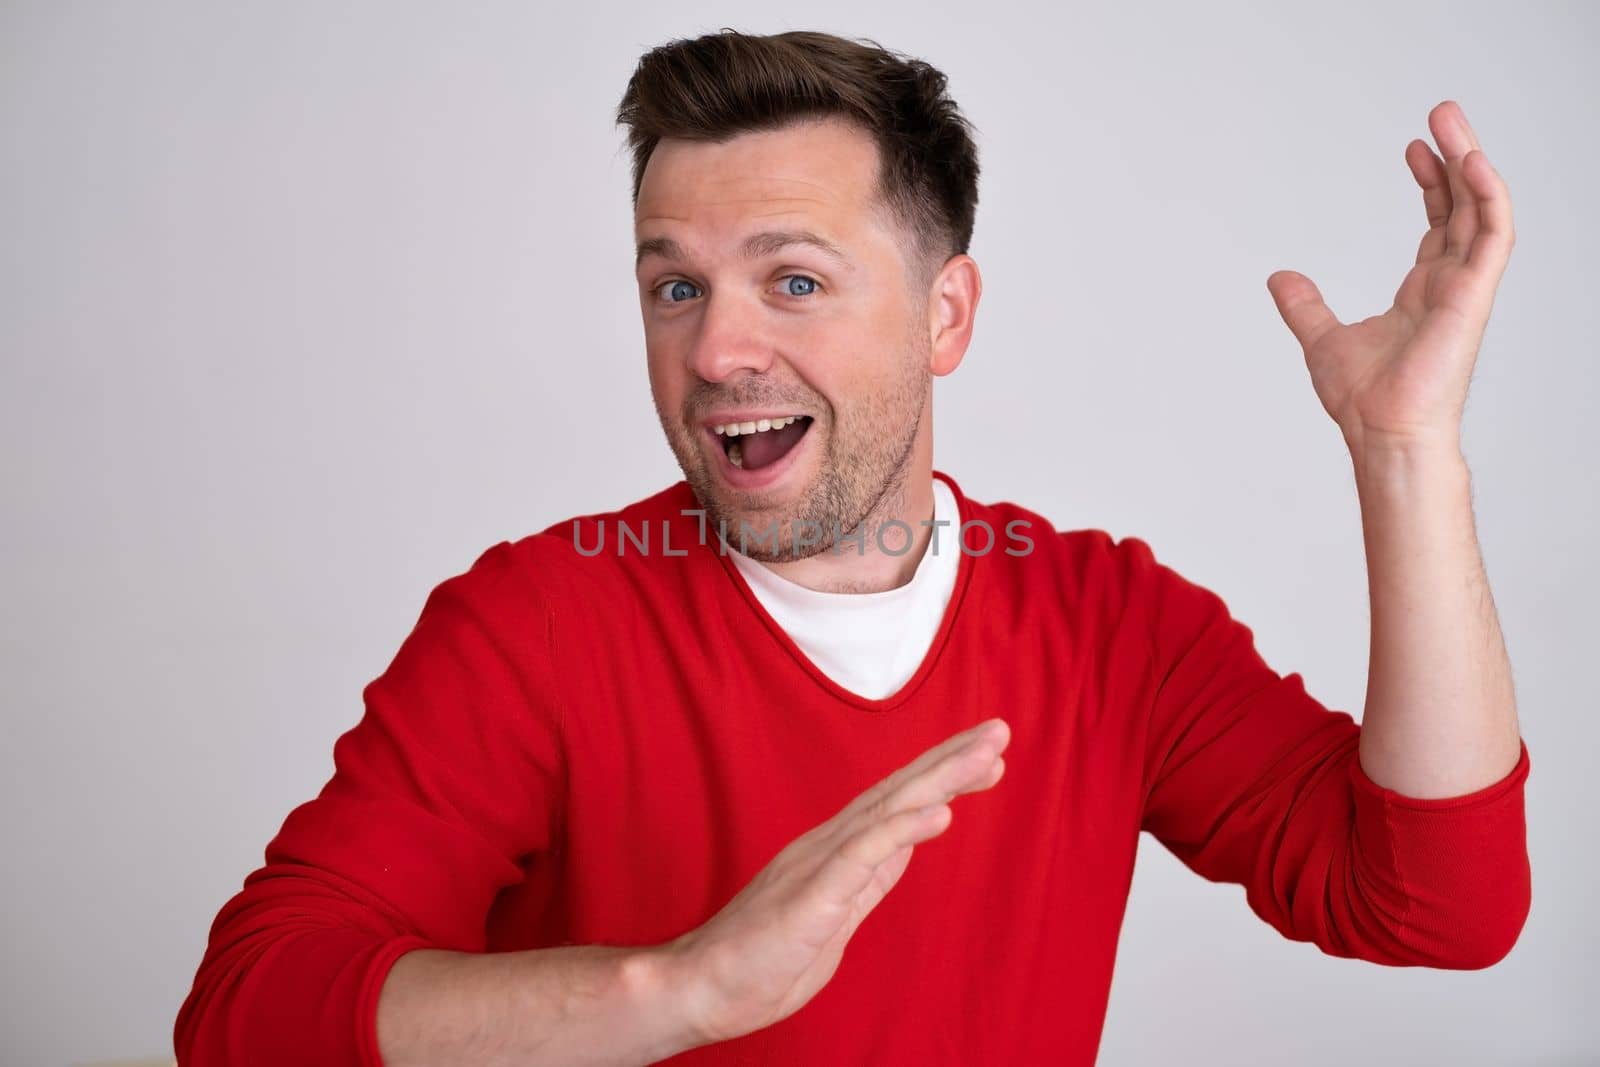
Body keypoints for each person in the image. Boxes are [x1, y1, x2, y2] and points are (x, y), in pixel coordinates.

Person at [173, 28, 1531, 1067]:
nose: (713, 349)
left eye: (795, 281)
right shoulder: (539, 619)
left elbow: (1438, 908)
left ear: (945, 318)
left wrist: (1404, 452)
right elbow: (247, 1007)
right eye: (677, 286)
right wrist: (678, 989)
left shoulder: (1109, 624)